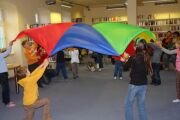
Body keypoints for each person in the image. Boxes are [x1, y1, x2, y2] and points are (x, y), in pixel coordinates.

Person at [125, 47, 152, 120]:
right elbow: (147, 72)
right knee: (141, 105)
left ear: (135, 52)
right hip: (144, 84)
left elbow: (125, 68)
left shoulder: (133, 57)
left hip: (134, 84)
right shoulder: (146, 57)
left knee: (128, 104)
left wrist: (126, 59)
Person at [159, 38, 180, 103]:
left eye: (176, 44)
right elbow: (169, 52)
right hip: (178, 70)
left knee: (178, 83)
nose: (175, 45)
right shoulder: (177, 50)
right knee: (178, 84)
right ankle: (178, 98)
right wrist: (161, 47)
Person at [0, 41, 16, 108]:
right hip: (2, 74)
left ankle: (5, 101)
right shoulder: (0, 55)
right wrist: (10, 45)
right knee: (6, 88)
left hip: (2, 73)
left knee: (4, 87)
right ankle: (7, 102)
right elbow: (7, 52)